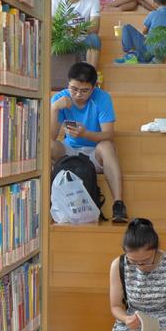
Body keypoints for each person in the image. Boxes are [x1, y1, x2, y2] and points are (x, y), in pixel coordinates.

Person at [51, 62, 129, 222]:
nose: (78, 94)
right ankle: (48, 201)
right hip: (70, 152)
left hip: (95, 152)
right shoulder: (60, 98)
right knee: (48, 146)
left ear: (94, 87)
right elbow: (51, 137)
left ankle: (118, 204)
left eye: (84, 90)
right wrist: (54, 109)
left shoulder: (102, 98)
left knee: (107, 146)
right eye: (74, 89)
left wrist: (85, 134)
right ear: (68, 84)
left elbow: (109, 134)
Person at [51, 0, 102, 69]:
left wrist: (73, 31)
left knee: (94, 39)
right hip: (62, 43)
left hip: (82, 43)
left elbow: (95, 26)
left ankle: (90, 77)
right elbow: (51, 24)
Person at [115, 0, 166, 64]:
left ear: (154, 3)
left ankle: (131, 55)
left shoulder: (153, 14)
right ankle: (153, 59)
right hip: (164, 50)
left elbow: (144, 31)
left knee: (126, 28)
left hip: (149, 48)